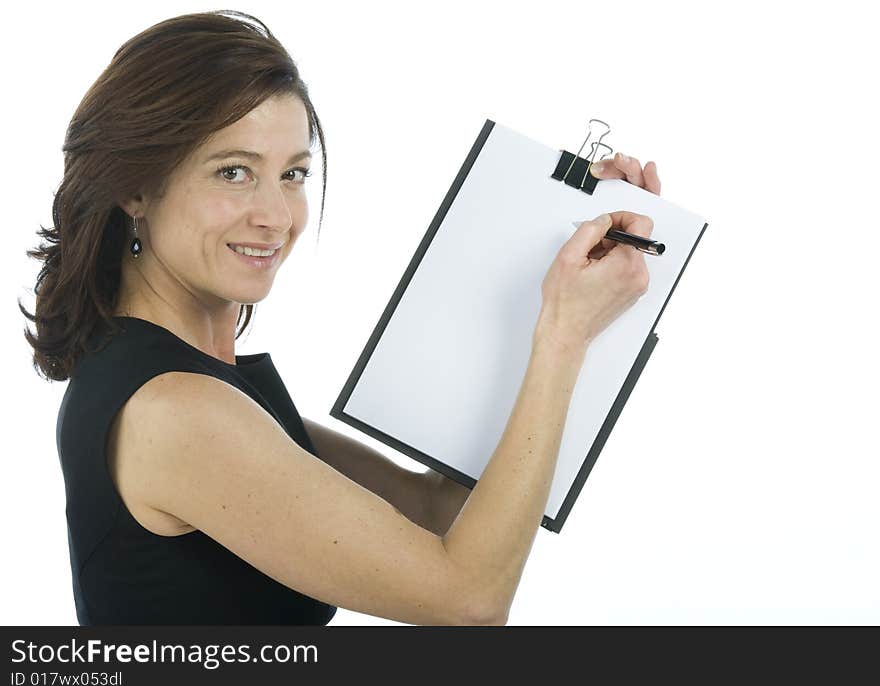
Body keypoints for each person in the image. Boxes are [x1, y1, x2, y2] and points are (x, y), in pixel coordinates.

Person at [20, 10, 661, 625]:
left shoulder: (204, 386)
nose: (276, 215)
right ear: (136, 188)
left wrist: (550, 252)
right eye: (234, 172)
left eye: (293, 173)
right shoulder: (176, 410)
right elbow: (468, 601)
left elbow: (437, 511)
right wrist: (562, 335)